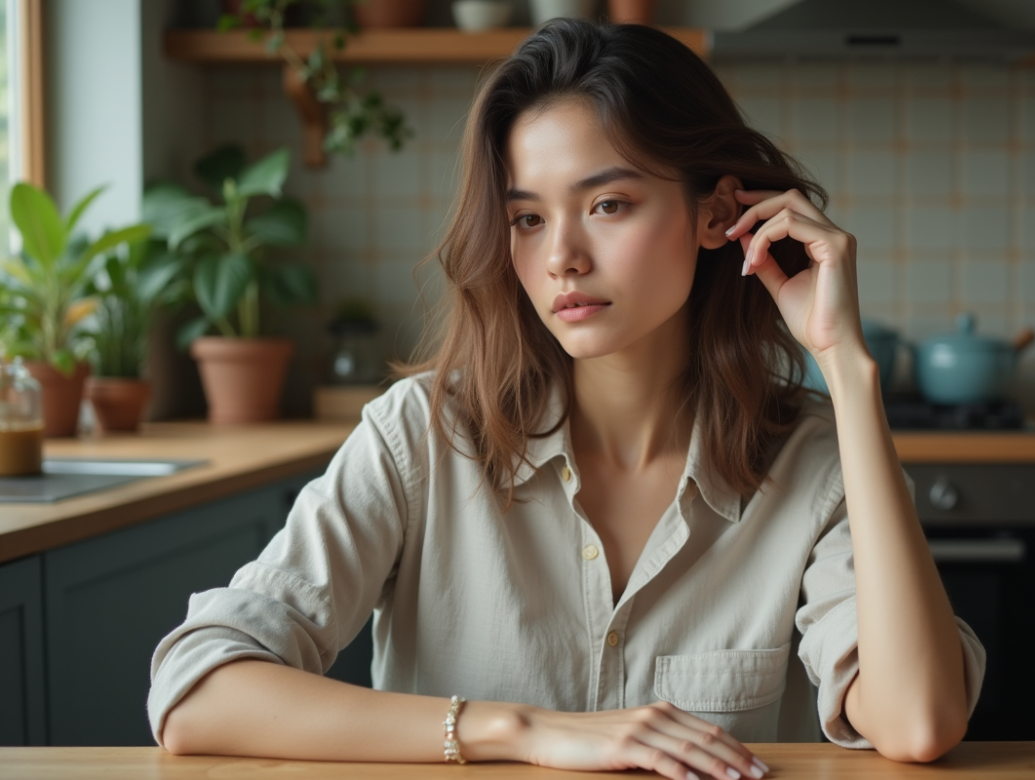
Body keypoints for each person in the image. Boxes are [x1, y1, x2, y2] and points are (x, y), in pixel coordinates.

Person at [149, 19, 985, 780]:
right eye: (528, 220)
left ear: (717, 214)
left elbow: (917, 722)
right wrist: (518, 730)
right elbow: (195, 692)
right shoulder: (420, 439)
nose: (562, 259)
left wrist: (845, 368)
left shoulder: (812, 465)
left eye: (608, 205)